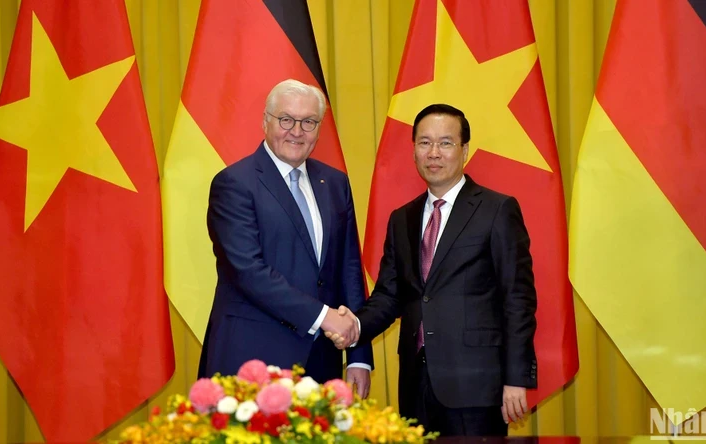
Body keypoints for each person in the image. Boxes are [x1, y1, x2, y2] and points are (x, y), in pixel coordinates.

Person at [328, 104, 537, 436]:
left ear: (465, 150)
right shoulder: (402, 219)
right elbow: (388, 296)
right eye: (424, 143)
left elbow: (518, 300)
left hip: (477, 386)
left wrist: (516, 378)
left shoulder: (497, 209)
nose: (434, 153)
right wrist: (353, 324)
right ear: (413, 151)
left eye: (445, 143)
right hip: (416, 384)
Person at [198, 79, 372, 397]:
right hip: (252, 360)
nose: (296, 131)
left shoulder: (335, 184)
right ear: (266, 122)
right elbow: (247, 271)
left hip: (322, 363)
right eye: (286, 119)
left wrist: (359, 357)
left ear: (319, 129)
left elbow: (349, 271)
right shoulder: (234, 184)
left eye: (308, 122)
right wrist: (324, 317)